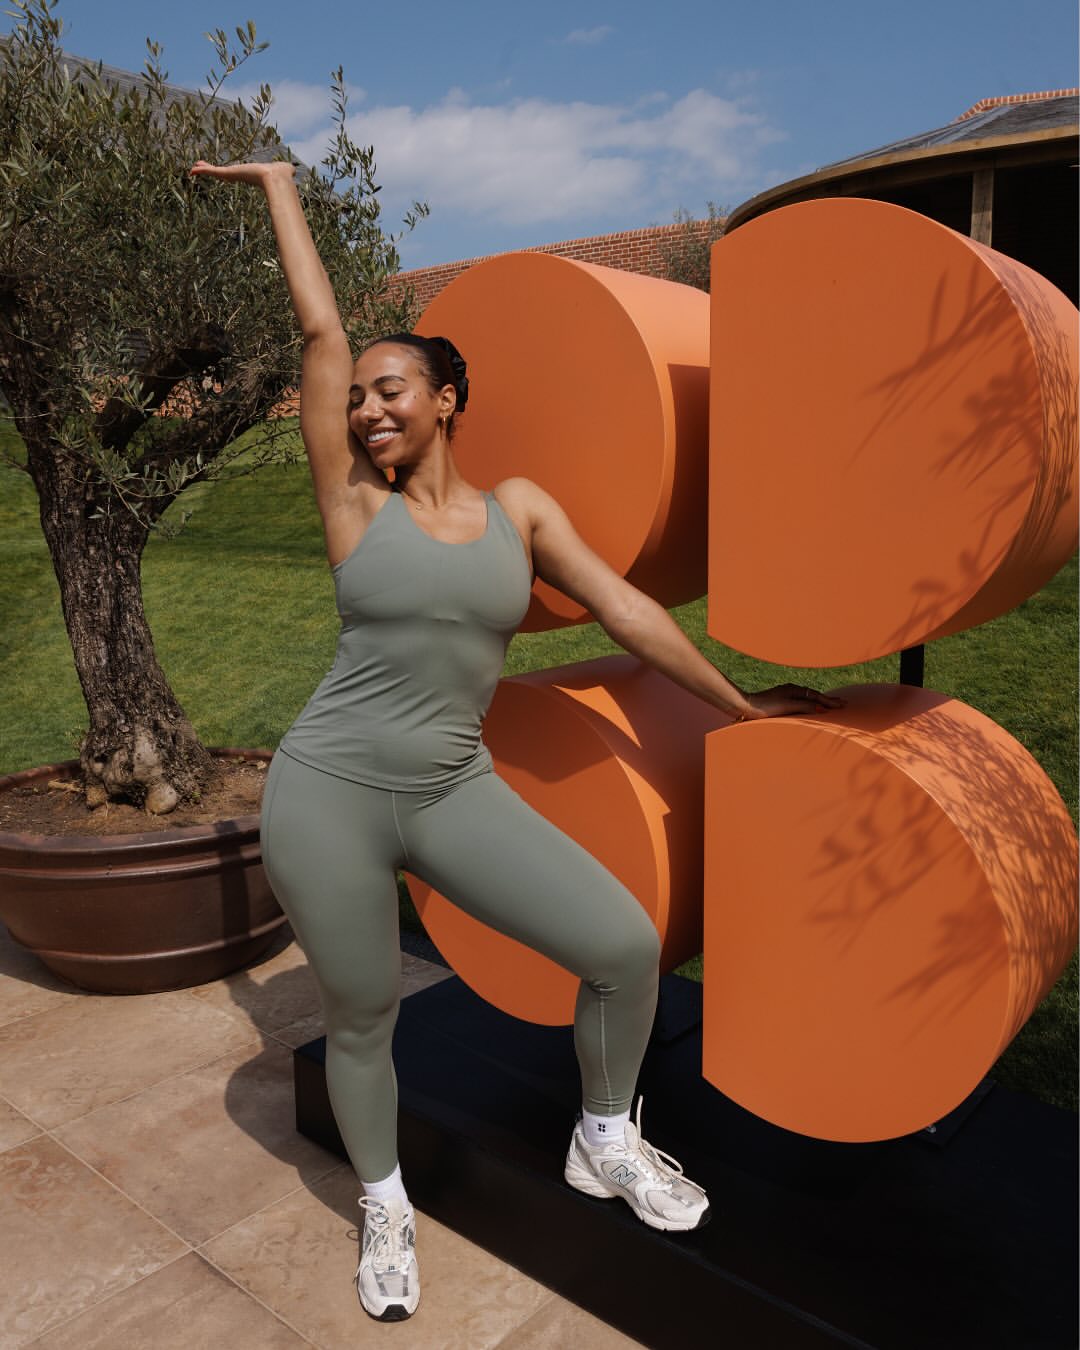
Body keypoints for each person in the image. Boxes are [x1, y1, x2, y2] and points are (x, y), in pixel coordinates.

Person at [191, 158, 841, 1323]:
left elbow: (630, 612)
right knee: (362, 1016)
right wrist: (280, 188)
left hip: (450, 788)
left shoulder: (520, 512)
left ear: (448, 398)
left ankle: (604, 1136)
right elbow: (322, 326)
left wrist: (741, 709)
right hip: (328, 793)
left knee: (622, 945)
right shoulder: (354, 507)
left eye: (394, 390)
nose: (369, 409)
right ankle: (384, 1203)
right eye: (358, 399)